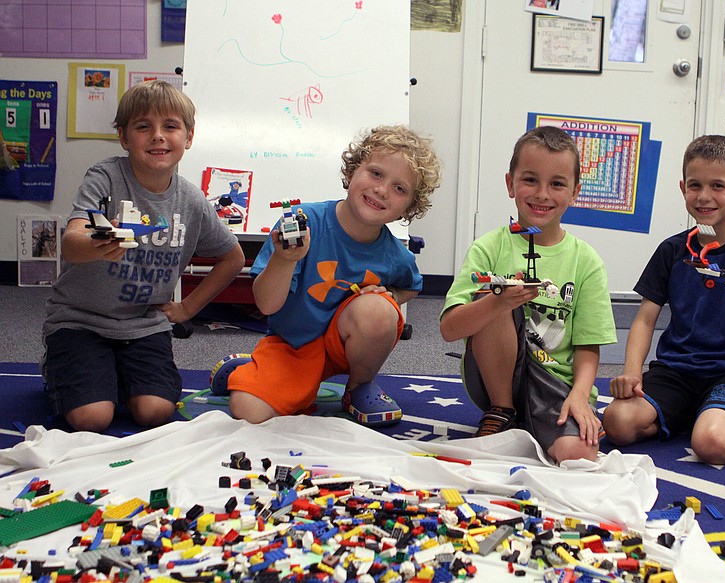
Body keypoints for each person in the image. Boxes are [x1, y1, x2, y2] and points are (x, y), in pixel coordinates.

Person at [42, 80, 246, 432]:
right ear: (123, 137)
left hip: (143, 326)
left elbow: (234, 258)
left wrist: (187, 310)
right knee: (93, 418)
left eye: (170, 126)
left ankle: (113, 374)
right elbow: (71, 242)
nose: (158, 136)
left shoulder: (191, 200)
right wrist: (97, 245)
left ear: (189, 137)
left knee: (154, 412)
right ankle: (62, 366)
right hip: (80, 321)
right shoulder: (105, 177)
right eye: (143, 127)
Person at [225, 125, 442, 426]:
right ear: (353, 170)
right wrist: (284, 260)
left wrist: (388, 296)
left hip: (343, 347)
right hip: (291, 345)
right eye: (376, 174)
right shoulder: (304, 223)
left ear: (408, 208)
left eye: (399, 188)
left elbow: (412, 286)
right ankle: (247, 370)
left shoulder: (395, 253)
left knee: (379, 311)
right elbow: (266, 305)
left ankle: (358, 387)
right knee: (248, 411)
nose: (381, 190)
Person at [602, 135, 725, 466]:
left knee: (713, 445)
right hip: (675, 371)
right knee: (617, 423)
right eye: (695, 185)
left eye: (718, 186)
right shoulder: (671, 250)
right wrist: (632, 373)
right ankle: (692, 413)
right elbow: (645, 319)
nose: (704, 196)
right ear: (683, 188)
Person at [440, 126, 616, 463]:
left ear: (575, 192)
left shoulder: (586, 261)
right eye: (530, 180)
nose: (542, 194)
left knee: (578, 455)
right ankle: (504, 410)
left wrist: (579, 396)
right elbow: (450, 329)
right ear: (510, 184)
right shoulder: (488, 248)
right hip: (494, 381)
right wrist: (498, 301)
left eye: (557, 184)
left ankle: (535, 422)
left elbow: (588, 345)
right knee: (492, 300)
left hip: (557, 384)